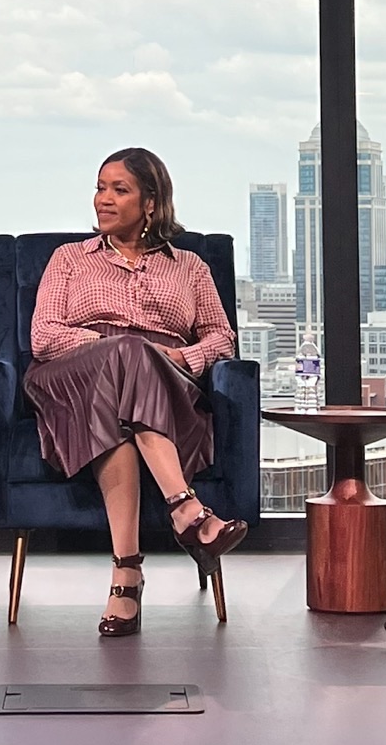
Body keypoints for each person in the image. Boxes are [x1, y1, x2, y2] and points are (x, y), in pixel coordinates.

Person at [26, 148, 249, 636]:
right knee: (126, 354)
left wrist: (179, 358)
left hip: (164, 389)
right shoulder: (69, 259)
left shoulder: (189, 266)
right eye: (99, 187)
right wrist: (118, 347)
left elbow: (220, 336)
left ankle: (126, 574)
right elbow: (43, 336)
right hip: (71, 382)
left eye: (118, 190)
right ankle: (187, 510)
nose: (103, 199)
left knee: (122, 406)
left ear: (150, 203)